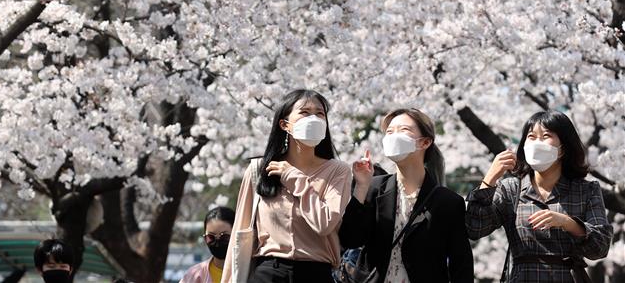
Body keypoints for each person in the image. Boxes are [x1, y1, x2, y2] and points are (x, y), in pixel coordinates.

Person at [221, 89, 352, 283]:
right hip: (268, 273)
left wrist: (294, 178)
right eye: (305, 112)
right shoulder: (259, 170)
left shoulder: (338, 171)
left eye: (320, 114)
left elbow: (324, 224)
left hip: (315, 273)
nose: (313, 119)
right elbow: (240, 232)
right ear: (284, 124)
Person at [465, 110, 613, 282]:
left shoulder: (586, 190)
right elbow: (474, 228)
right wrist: (489, 179)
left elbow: (600, 248)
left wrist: (567, 223)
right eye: (531, 136)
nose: (537, 142)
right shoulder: (511, 189)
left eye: (546, 136)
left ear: (563, 149)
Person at [339, 108, 474, 283]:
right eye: (389, 132)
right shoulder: (374, 187)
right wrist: (361, 187)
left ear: (425, 142)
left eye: (403, 130)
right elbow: (350, 239)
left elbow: (461, 264)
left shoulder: (448, 202)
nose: (394, 136)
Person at [181, 206, 236, 283]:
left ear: (236, 235)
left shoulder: (249, 272)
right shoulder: (194, 275)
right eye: (211, 237)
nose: (217, 243)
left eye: (224, 237)